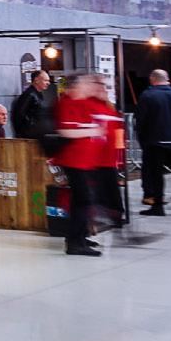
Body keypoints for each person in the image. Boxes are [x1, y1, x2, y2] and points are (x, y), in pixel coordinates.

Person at [52, 73, 116, 256]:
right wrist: (93, 131)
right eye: (87, 84)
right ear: (76, 86)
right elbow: (66, 131)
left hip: (87, 160)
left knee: (83, 200)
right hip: (74, 160)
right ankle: (75, 242)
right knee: (83, 199)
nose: (90, 87)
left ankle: (79, 235)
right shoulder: (67, 103)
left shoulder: (84, 102)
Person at [135, 69, 171, 216]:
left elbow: (141, 120)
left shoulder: (147, 95)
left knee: (156, 175)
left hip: (155, 141)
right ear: (167, 79)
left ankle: (158, 205)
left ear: (152, 80)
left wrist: (142, 140)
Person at [10, 69, 52, 139]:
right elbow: (20, 114)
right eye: (45, 80)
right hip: (29, 134)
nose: (48, 83)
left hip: (36, 132)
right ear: (36, 80)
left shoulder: (37, 94)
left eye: (48, 81)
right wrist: (31, 128)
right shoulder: (29, 95)